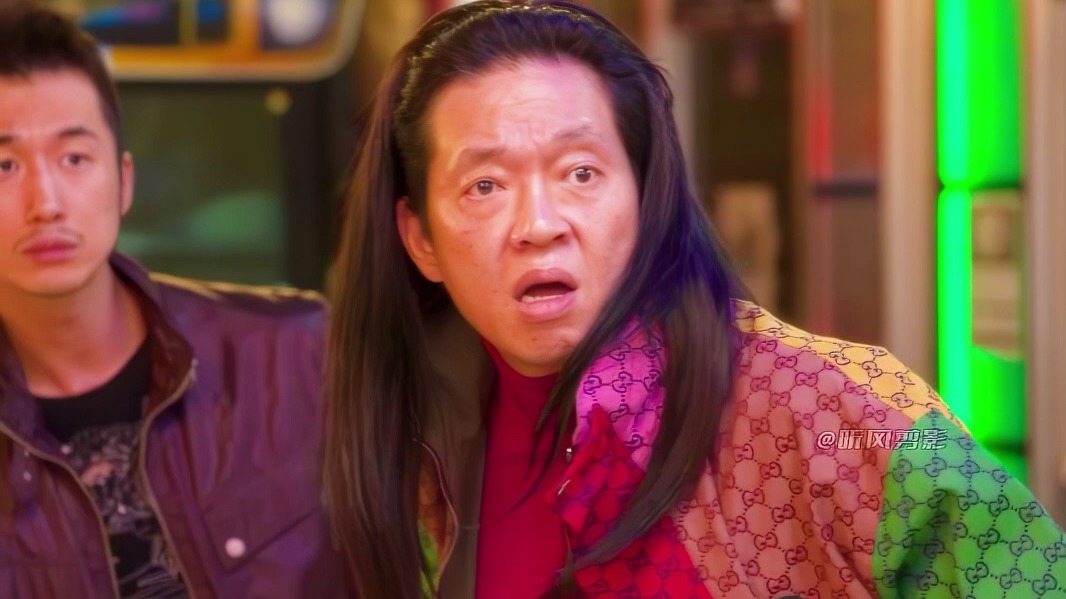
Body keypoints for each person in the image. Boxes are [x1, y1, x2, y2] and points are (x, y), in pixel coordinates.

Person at [324, 1, 1066, 598]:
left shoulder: (831, 405)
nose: (539, 225)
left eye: (581, 173)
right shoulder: (408, 444)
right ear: (420, 238)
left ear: (646, 193)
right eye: (485, 185)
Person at [0, 3, 351, 597]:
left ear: (124, 180)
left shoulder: (299, 354)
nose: (46, 203)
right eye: (5, 164)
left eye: (74, 157)